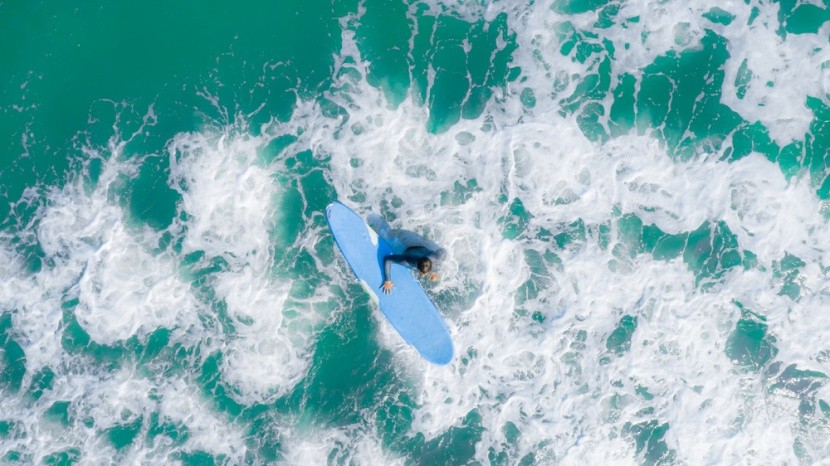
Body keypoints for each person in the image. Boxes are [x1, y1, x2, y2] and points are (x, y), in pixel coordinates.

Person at [367, 213, 446, 294]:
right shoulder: (407, 260)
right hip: (406, 239)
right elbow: (388, 259)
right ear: (416, 264)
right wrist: (388, 280)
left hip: (420, 244)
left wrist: (436, 272)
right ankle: (373, 217)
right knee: (386, 234)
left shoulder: (436, 256)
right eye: (422, 273)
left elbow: (443, 251)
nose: (422, 275)